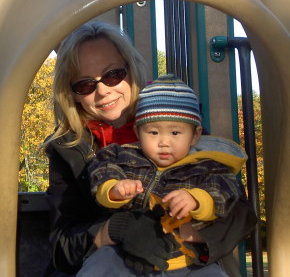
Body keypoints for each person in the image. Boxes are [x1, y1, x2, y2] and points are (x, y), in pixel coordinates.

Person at [43, 20, 256, 277]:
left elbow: (238, 209)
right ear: (73, 94)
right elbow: (62, 244)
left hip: (182, 254)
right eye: (86, 85)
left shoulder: (173, 121)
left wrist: (180, 231)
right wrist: (115, 229)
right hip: (109, 259)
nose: (103, 92)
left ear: (130, 69)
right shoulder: (69, 148)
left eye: (113, 75)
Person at [88, 74, 248, 276]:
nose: (164, 142)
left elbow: (224, 191)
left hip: (186, 260)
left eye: (175, 133)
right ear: (138, 132)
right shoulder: (123, 156)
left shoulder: (207, 167)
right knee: (100, 264)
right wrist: (114, 190)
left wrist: (196, 199)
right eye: (153, 133)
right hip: (127, 255)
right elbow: (101, 171)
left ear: (195, 135)